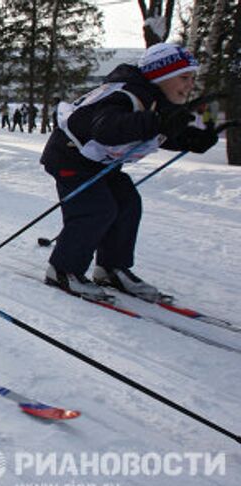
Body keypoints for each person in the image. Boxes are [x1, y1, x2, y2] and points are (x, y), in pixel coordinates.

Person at [42, 43, 218, 302]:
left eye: (193, 78)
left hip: (99, 163)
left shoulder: (155, 98)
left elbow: (155, 132)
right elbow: (108, 128)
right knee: (96, 209)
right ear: (161, 75)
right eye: (184, 77)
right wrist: (157, 122)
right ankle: (62, 270)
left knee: (127, 203)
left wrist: (190, 139)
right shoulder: (125, 94)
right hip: (69, 158)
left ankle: (111, 268)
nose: (190, 84)